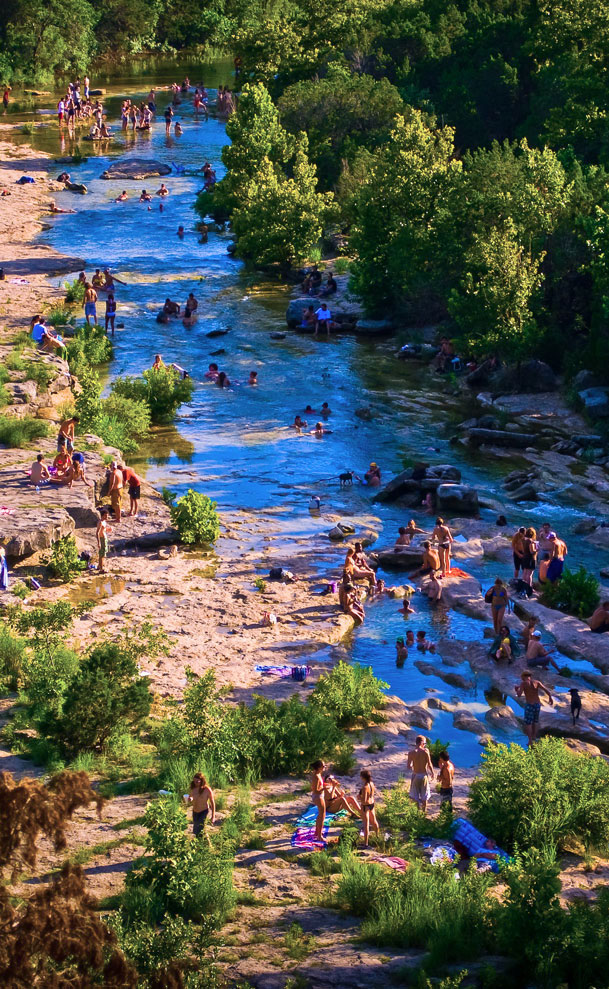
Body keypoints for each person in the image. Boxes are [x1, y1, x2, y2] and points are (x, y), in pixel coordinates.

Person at [515, 670, 554, 746]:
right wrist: (550, 698)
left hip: (530, 705)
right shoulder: (537, 682)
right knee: (535, 721)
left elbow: (519, 695)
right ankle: (534, 737)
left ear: (524, 676)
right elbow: (547, 690)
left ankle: (530, 741)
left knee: (528, 723)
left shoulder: (523, 683)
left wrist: (516, 690)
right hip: (537, 704)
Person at [407, 736, 434, 814]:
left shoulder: (411, 753)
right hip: (423, 775)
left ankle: (417, 811)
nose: (425, 745)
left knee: (415, 795)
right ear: (422, 743)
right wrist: (432, 773)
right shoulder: (426, 751)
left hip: (415, 775)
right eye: (425, 743)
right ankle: (424, 812)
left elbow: (408, 766)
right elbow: (429, 764)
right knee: (424, 795)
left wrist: (414, 765)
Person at [187, 772, 215, 838]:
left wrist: (213, 816)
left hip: (204, 811)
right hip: (195, 812)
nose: (195, 783)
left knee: (200, 829)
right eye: (194, 781)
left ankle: (208, 846)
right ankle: (201, 845)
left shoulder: (207, 790)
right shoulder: (193, 789)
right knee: (196, 831)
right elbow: (192, 797)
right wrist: (190, 799)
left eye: (197, 781)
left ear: (201, 781)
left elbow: (212, 803)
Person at [359, 770, 380, 846]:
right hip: (372, 804)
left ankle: (366, 843)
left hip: (366, 806)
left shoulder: (365, 787)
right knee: (374, 821)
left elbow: (364, 801)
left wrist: (359, 798)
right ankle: (378, 836)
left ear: (363, 777)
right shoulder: (371, 784)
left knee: (366, 824)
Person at [310, 760, 326, 843]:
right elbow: (315, 790)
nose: (324, 767)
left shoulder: (319, 774)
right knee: (322, 815)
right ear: (319, 767)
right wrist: (324, 788)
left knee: (321, 814)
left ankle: (317, 832)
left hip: (320, 795)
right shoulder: (316, 776)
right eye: (323, 766)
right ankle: (319, 836)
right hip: (318, 796)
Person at [521, 527, 538, 596]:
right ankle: (529, 588)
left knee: (524, 573)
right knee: (530, 574)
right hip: (530, 559)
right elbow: (532, 551)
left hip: (524, 557)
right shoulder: (530, 541)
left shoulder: (524, 540)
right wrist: (537, 549)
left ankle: (523, 587)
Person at [96, 507, 111, 573]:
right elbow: (97, 532)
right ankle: (101, 569)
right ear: (103, 515)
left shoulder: (104, 522)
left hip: (104, 538)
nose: (107, 516)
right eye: (106, 515)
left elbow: (103, 530)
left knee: (103, 553)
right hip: (101, 539)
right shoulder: (100, 522)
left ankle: (99, 566)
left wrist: (108, 529)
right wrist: (98, 542)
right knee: (102, 554)